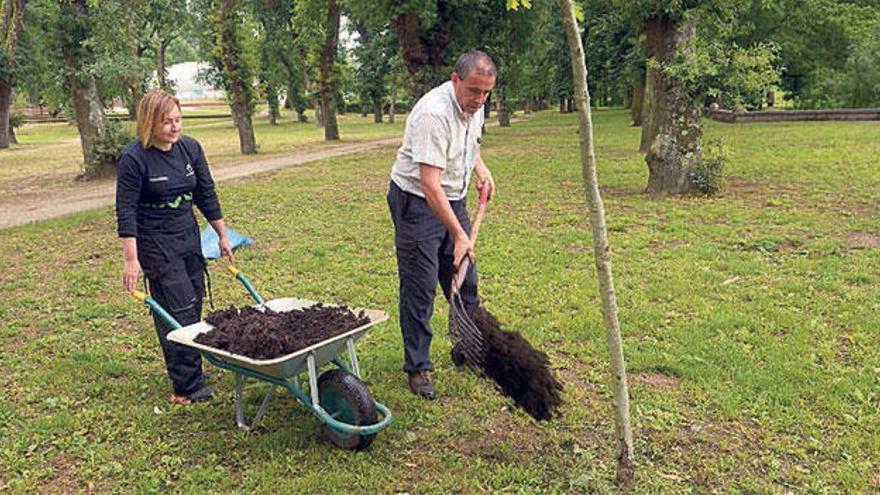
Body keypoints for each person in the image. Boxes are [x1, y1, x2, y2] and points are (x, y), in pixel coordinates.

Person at [387, 50, 497, 400]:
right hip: (416, 202)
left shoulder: (473, 108)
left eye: (486, 93)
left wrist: (481, 169)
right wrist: (460, 234)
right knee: (420, 288)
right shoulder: (432, 114)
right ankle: (418, 367)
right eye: (473, 91)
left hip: (451, 197)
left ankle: (467, 346)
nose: (479, 99)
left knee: (465, 280)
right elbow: (428, 184)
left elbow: (467, 145)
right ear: (455, 80)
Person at [116, 90, 234, 405]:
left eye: (178, 120)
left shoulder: (190, 149)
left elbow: (206, 193)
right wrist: (131, 259)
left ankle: (191, 367)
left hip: (186, 233)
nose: (174, 127)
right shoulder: (134, 158)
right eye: (166, 122)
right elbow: (125, 210)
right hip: (155, 241)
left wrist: (221, 235)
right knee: (176, 306)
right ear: (149, 123)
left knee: (193, 300)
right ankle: (186, 386)